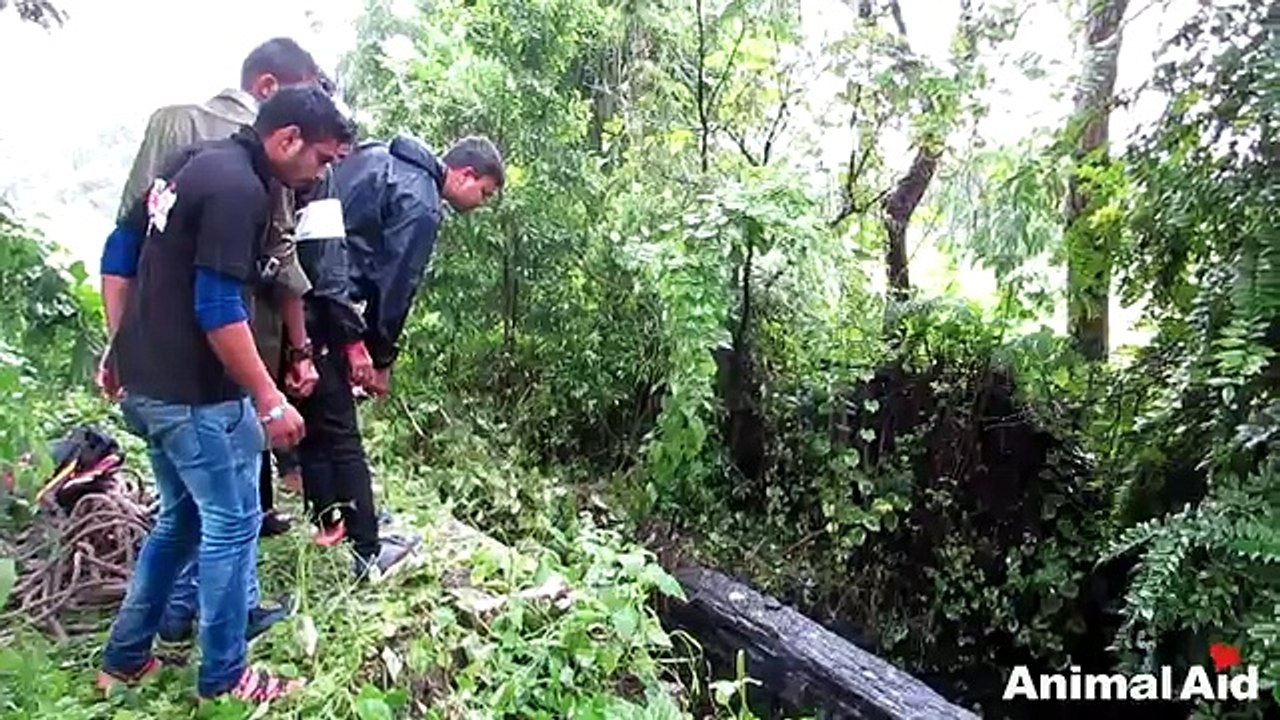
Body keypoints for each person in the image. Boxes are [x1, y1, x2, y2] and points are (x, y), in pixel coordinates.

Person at [94, 84, 354, 702]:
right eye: (320, 159)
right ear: (287, 139)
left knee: (181, 519)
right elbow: (217, 309)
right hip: (193, 393)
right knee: (233, 524)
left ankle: (125, 659)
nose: (320, 175)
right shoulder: (241, 190)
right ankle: (225, 679)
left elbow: (122, 246)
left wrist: (119, 342)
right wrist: (270, 398)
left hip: (150, 384)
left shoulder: (191, 165)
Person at [296, 133, 504, 578]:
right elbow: (395, 287)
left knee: (315, 417)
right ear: (466, 175)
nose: (481, 203)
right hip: (331, 306)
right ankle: (368, 552)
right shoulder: (422, 203)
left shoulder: (373, 157)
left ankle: (328, 518)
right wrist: (378, 356)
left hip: (299, 297)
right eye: (484, 192)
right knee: (342, 432)